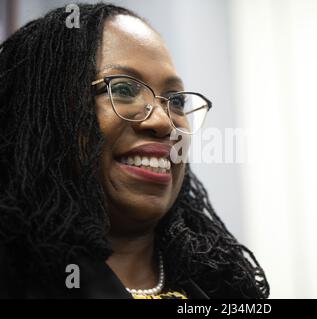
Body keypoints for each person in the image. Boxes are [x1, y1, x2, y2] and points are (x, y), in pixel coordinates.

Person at [0, 3, 269, 299]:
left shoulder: (223, 287)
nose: (164, 122)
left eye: (176, 101)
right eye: (124, 90)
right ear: (42, 114)